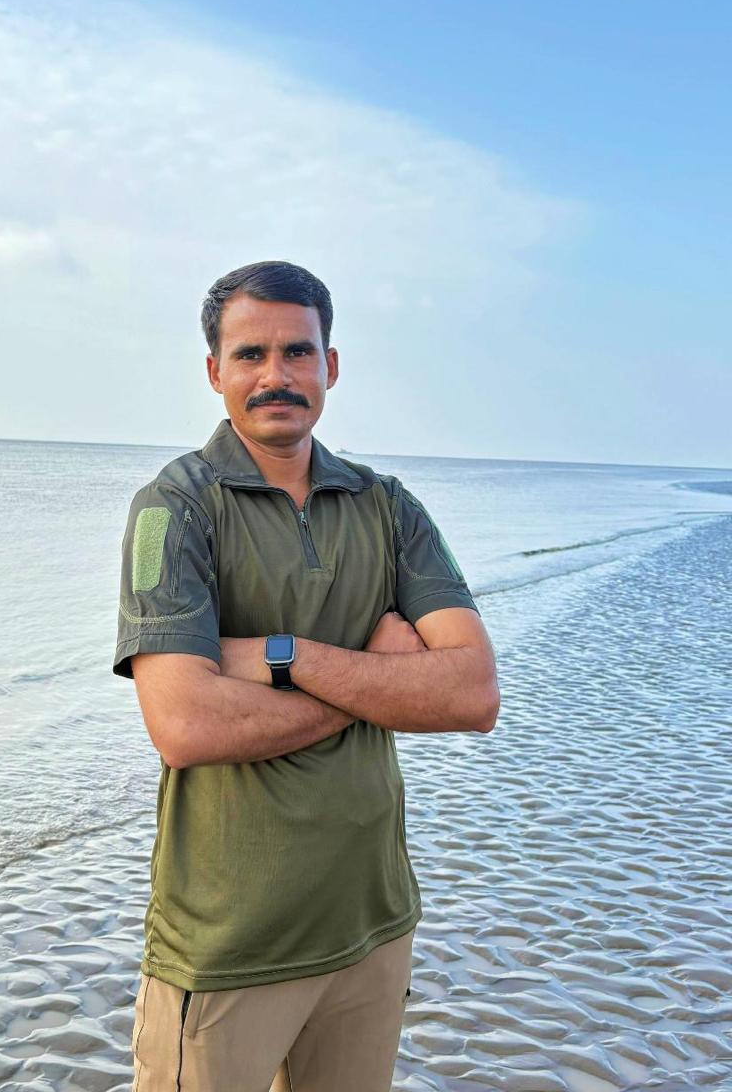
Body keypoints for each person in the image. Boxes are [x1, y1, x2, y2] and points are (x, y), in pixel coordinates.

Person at [113, 260, 499, 1092]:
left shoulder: (386, 506)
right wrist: (378, 680)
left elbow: (472, 694)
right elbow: (185, 726)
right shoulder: (172, 509)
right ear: (214, 371)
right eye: (249, 354)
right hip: (229, 945)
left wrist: (286, 656)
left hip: (373, 925)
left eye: (297, 351)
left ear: (331, 365)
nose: (275, 375)